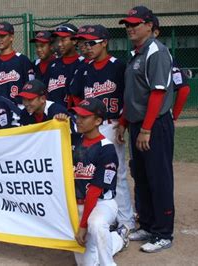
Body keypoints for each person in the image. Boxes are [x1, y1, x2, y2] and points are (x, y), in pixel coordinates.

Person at [116, 6, 175, 253]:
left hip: (155, 124)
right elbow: (132, 96)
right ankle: (149, 224)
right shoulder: (136, 53)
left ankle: (163, 232)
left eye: (135, 24)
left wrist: (147, 128)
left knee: (158, 177)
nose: (130, 28)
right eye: (127, 24)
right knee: (140, 175)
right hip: (139, 124)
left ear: (150, 25)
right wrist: (124, 122)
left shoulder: (156, 52)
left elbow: (157, 93)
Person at [71, 25, 136, 232]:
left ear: (105, 42)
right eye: (84, 43)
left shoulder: (118, 66)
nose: (87, 47)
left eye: (92, 43)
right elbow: (75, 95)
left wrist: (123, 123)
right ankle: (105, 216)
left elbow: (129, 97)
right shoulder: (84, 67)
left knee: (117, 175)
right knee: (88, 173)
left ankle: (126, 220)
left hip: (111, 124)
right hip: (89, 128)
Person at [71, 98, 130, 265]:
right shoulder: (74, 141)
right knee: (86, 263)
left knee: (95, 225)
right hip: (76, 205)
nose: (78, 120)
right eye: (78, 116)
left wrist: (83, 226)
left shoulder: (107, 149)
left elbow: (95, 191)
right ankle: (117, 238)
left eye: (84, 117)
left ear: (98, 121)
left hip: (101, 204)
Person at [0, 21, 35, 107]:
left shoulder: (22, 60)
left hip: (19, 106)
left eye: (2, 36)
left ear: (11, 37)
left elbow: (30, 86)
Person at [152, 16, 191, 122]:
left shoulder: (163, 56)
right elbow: (184, 89)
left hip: (156, 117)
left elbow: (184, 89)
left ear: (155, 32)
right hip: (157, 116)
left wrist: (174, 115)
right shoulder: (135, 56)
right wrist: (174, 115)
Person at [45, 23, 84, 108]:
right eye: (58, 40)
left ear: (74, 41)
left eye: (63, 40)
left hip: (74, 115)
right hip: (53, 114)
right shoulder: (53, 64)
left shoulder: (83, 64)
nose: (59, 44)